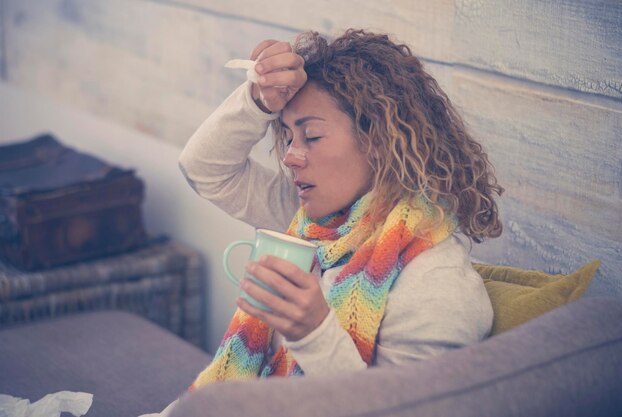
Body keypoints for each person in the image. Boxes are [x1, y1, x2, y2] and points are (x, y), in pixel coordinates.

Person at [179, 29, 503, 387]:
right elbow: (204, 168)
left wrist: (314, 333)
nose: (289, 157)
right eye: (288, 137)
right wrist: (259, 100)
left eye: (312, 137)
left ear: (377, 140)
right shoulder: (308, 219)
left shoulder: (436, 286)